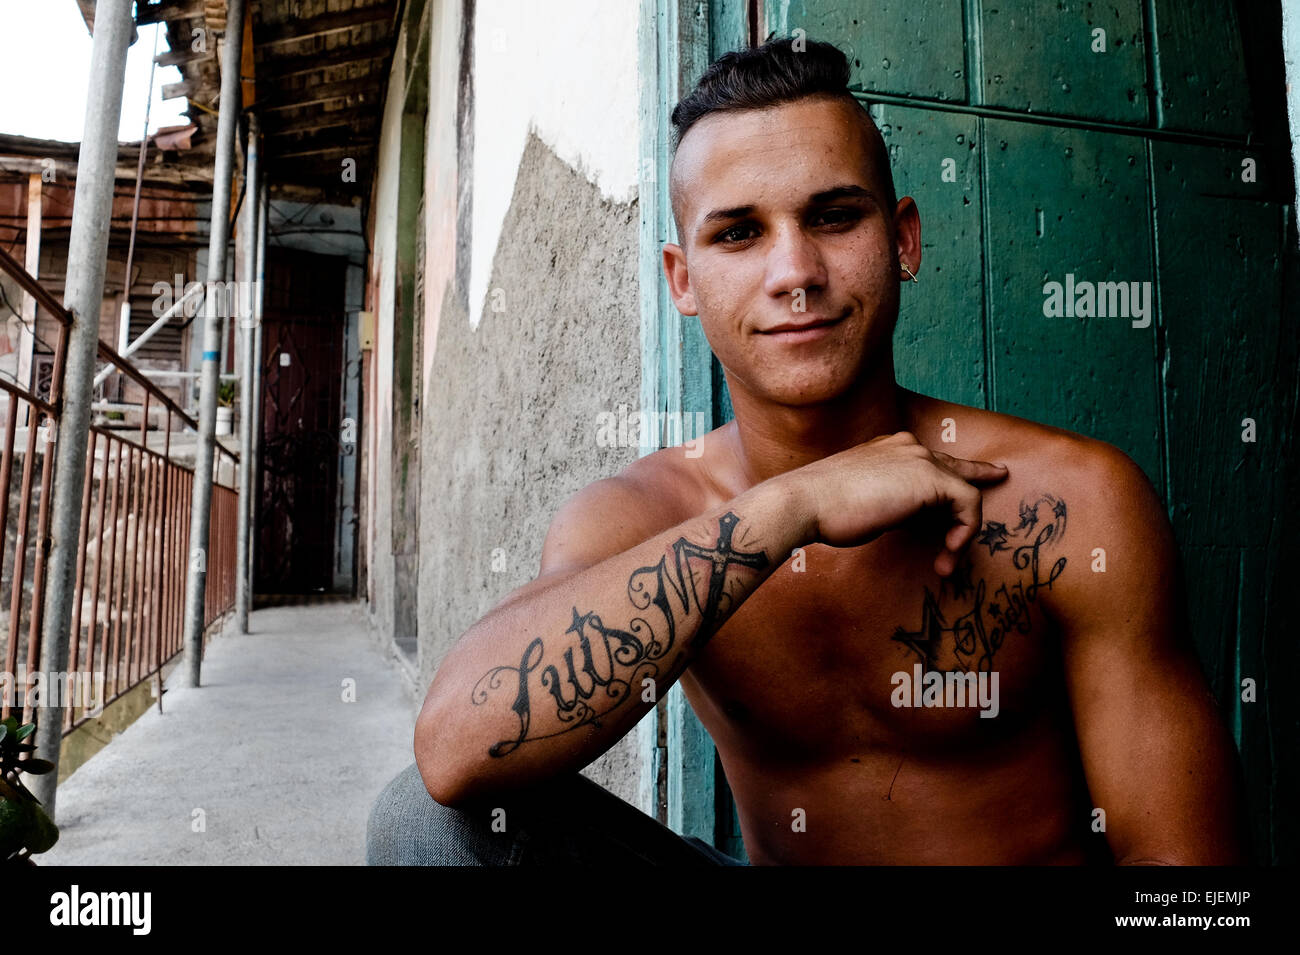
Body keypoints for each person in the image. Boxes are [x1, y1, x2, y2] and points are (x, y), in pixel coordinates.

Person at [367, 37, 1247, 866]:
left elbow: (1189, 881)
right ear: (683, 279)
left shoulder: (1072, 504)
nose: (795, 271)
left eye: (832, 216)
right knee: (430, 829)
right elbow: (454, 750)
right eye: (739, 233)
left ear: (901, 240)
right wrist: (792, 506)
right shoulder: (643, 513)